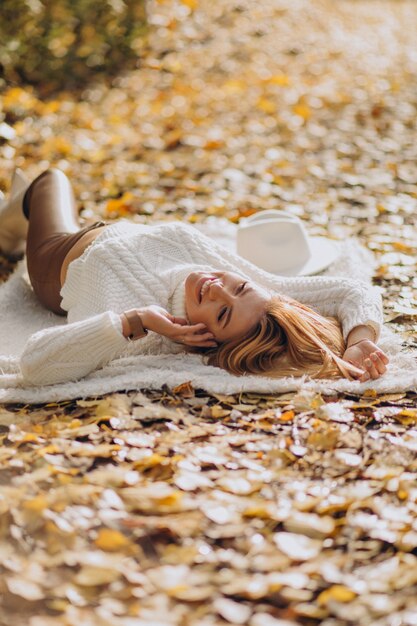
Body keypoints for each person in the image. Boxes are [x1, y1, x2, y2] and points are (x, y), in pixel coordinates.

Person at [0, 168, 389, 386]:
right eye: (238, 286)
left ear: (207, 341)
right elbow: (352, 291)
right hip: (121, 231)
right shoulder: (257, 296)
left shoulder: (147, 333)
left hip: (58, 254)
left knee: (51, 181)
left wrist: (134, 321)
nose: (218, 287)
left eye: (221, 314)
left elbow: (36, 363)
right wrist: (359, 340)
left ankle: (10, 225)